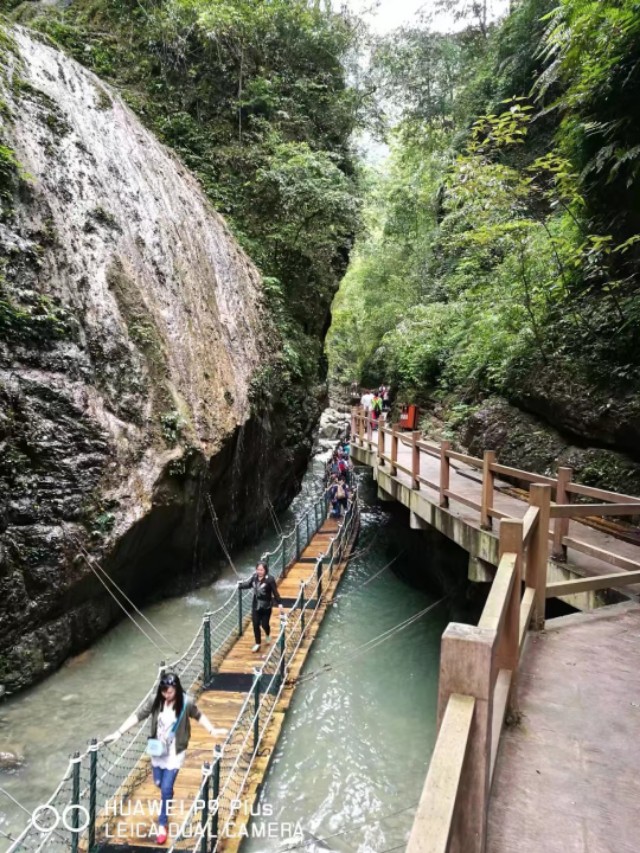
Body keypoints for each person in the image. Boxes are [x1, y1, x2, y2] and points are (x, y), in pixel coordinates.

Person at [103, 672, 227, 845]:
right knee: (159, 783)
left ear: (176, 689)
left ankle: (163, 824)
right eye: (164, 692)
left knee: (166, 788)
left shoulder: (186, 702)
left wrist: (213, 730)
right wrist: (118, 732)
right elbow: (138, 716)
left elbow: (199, 715)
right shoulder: (155, 700)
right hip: (158, 750)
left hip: (175, 752)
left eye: (169, 692)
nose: (166, 695)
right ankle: (166, 790)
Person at [238, 561, 284, 652]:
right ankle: (257, 643)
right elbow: (248, 584)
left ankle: (267, 634)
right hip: (255, 606)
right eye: (258, 569)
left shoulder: (270, 579)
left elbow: (275, 592)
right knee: (255, 625)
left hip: (266, 607)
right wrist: (240, 585)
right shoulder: (254, 577)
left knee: (265, 624)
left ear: (265, 570)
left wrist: (279, 603)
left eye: (261, 570)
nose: (259, 571)